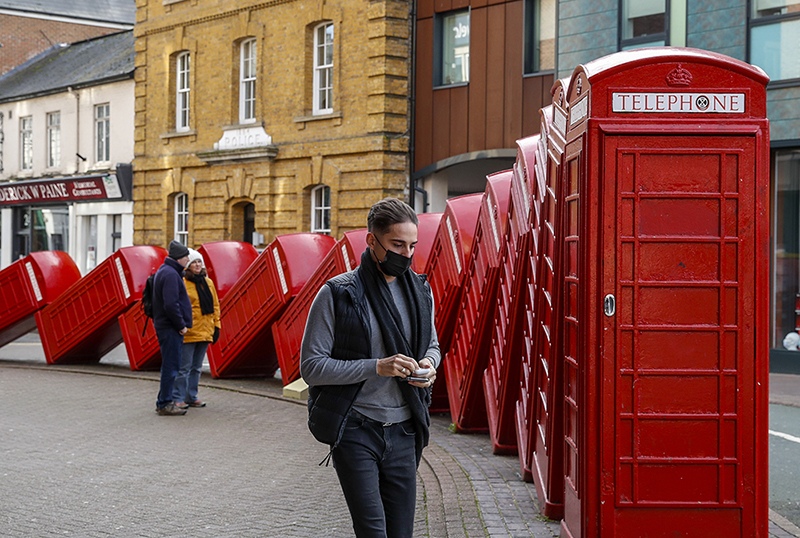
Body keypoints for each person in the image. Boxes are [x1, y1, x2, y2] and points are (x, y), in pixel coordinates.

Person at [300, 197, 441, 538]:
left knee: (401, 531)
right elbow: (312, 366)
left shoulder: (421, 291)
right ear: (371, 241)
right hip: (356, 428)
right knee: (372, 529)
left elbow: (433, 346)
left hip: (405, 429)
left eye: (411, 246)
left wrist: (429, 364)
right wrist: (376, 366)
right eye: (396, 244)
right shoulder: (337, 294)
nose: (405, 254)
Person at [173, 249, 220, 408]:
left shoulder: (208, 283)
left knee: (196, 368)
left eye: (199, 262)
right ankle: (178, 397)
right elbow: (177, 306)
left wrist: (217, 326)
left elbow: (215, 306)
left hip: (205, 331)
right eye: (194, 262)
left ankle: (192, 396)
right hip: (189, 331)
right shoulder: (183, 283)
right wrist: (180, 325)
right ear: (188, 266)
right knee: (184, 368)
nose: (197, 265)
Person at [153, 240, 193, 416]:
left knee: (170, 365)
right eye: (186, 257)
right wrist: (181, 325)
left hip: (165, 326)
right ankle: (165, 403)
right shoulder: (171, 274)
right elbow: (171, 304)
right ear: (179, 258)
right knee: (171, 366)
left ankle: (164, 401)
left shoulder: (166, 271)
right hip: (170, 328)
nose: (188, 261)